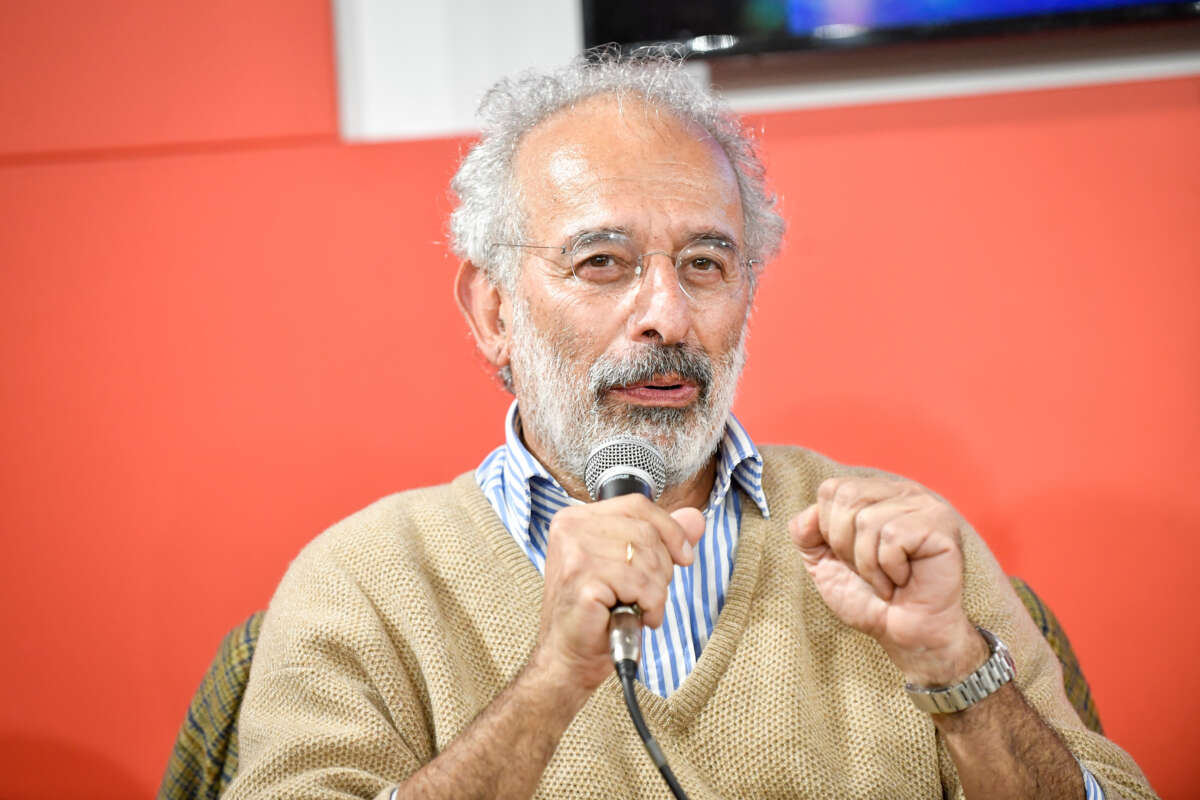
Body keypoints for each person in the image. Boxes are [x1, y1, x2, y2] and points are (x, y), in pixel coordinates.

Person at [224, 52, 1156, 800]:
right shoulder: (365, 582)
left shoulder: (895, 548)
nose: (667, 315)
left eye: (706, 264)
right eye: (602, 262)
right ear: (495, 311)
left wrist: (957, 670)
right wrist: (550, 684)